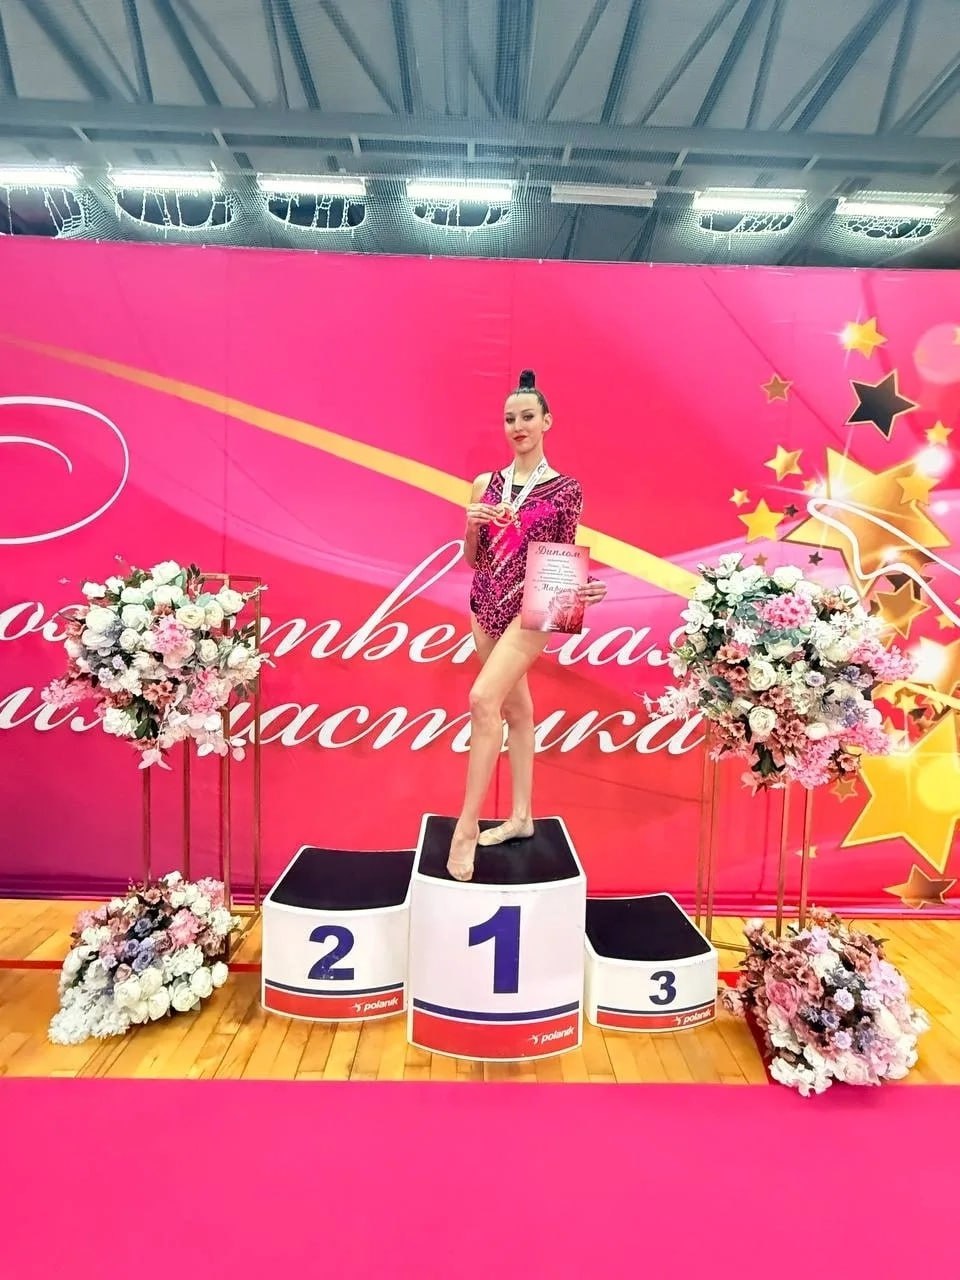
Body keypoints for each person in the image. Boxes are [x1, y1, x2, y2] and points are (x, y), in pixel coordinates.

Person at [447, 369, 607, 881]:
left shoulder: (565, 490)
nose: (518, 426)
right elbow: (472, 559)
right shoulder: (485, 485)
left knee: (482, 700)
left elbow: (563, 556)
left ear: (546, 422)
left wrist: (585, 588)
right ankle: (521, 816)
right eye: (509, 419)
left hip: (533, 608)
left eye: (527, 417)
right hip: (484, 603)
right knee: (517, 711)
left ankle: (466, 827)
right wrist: (471, 525)